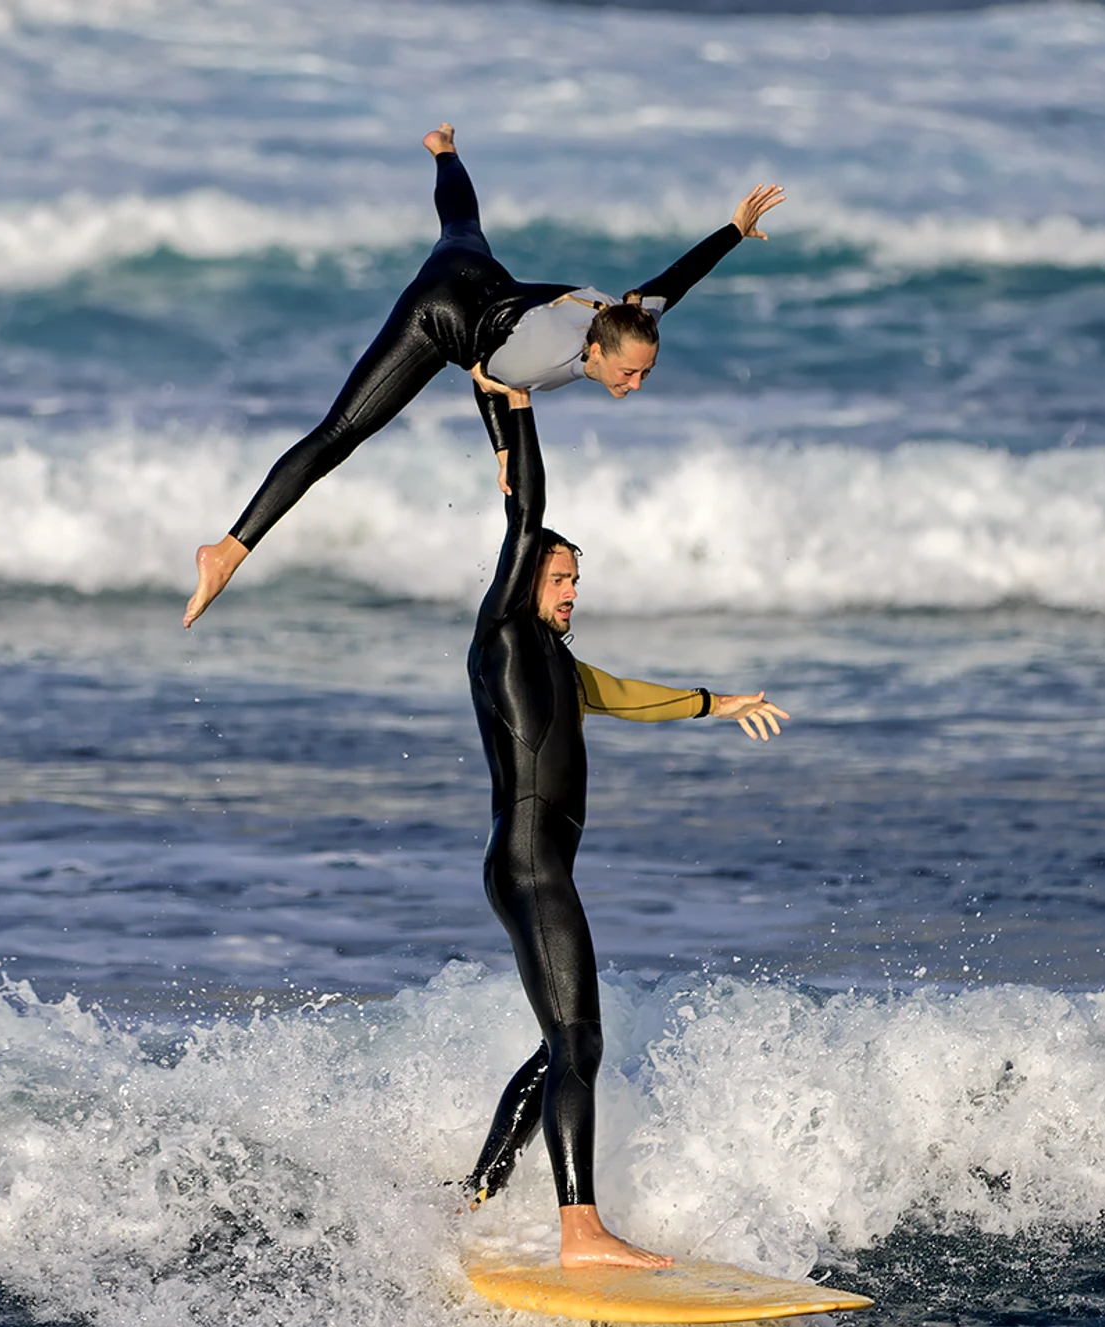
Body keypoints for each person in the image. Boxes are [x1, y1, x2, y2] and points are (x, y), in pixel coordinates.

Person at [181, 123, 785, 628]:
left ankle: (443, 147)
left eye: (645, 374)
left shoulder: (629, 316)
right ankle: (227, 552)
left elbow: (676, 279)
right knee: (339, 433)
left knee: (462, 226)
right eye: (629, 374)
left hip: (475, 270)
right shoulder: (544, 355)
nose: (635, 384)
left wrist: (733, 229)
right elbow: (487, 375)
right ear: (595, 354)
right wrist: (504, 445)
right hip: (441, 315)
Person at [461, 372, 787, 1268]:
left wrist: (717, 702)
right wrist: (517, 408)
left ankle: (475, 1195)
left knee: (560, 1043)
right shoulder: (505, 637)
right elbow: (527, 512)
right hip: (530, 862)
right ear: (525, 578)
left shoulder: (559, 664)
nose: (570, 591)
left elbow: (627, 697)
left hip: (532, 864)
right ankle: (580, 1230)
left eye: (576, 579)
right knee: (579, 1041)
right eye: (560, 577)